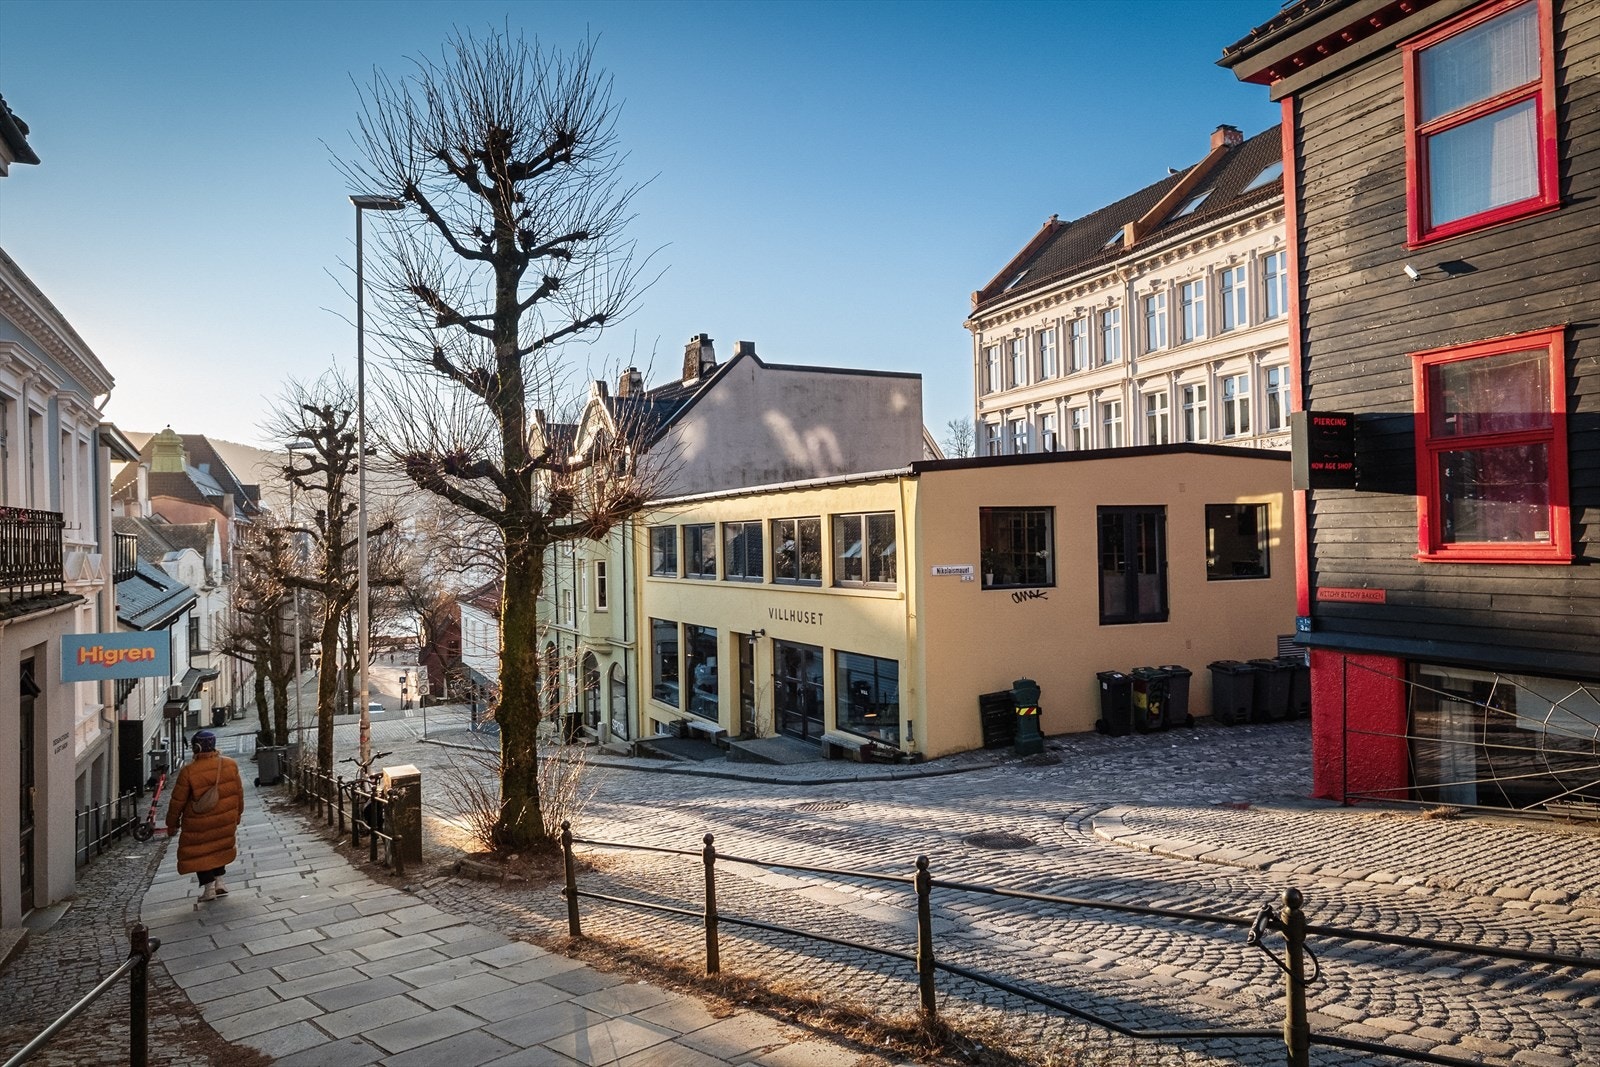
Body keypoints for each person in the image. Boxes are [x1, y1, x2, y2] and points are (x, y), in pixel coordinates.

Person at [165, 729, 244, 903]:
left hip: (198, 822)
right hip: (224, 818)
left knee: (200, 852)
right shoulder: (230, 765)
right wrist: (237, 814)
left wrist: (171, 823)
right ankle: (220, 881)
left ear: (196, 747)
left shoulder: (189, 771)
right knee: (218, 847)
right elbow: (239, 792)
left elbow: (177, 801)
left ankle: (209, 889)